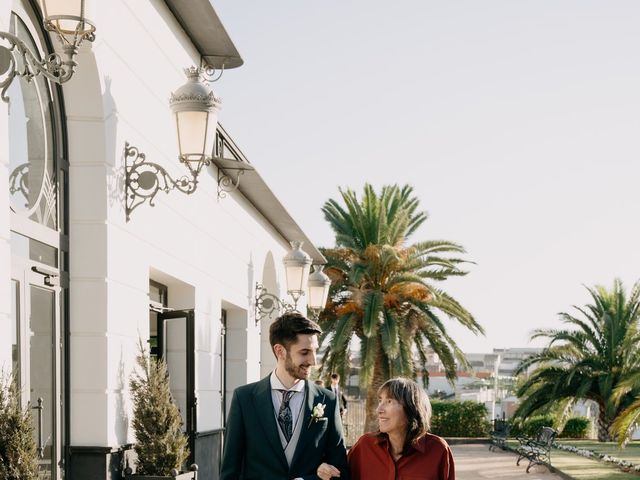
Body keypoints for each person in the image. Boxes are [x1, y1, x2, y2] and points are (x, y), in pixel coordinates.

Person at [220, 312, 349, 480]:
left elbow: (341, 471)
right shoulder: (244, 399)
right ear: (280, 351)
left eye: (314, 351)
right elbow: (230, 472)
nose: (313, 361)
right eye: (304, 352)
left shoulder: (328, 401)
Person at [345, 377, 455, 480]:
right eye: (380, 401)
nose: (379, 409)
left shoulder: (438, 450)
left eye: (389, 401)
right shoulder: (364, 446)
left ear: (411, 408)